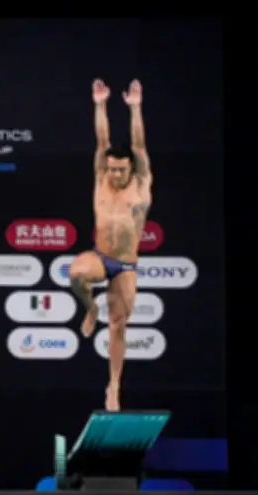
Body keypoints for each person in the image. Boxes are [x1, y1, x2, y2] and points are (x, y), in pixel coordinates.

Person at [69, 78, 152, 412]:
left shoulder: (141, 184)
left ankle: (114, 386)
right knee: (77, 274)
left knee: (118, 326)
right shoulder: (101, 179)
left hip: (126, 264)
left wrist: (135, 108)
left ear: (131, 168)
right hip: (101, 257)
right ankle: (91, 308)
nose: (115, 174)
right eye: (112, 169)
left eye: (121, 170)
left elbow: (139, 145)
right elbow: (101, 140)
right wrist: (100, 104)